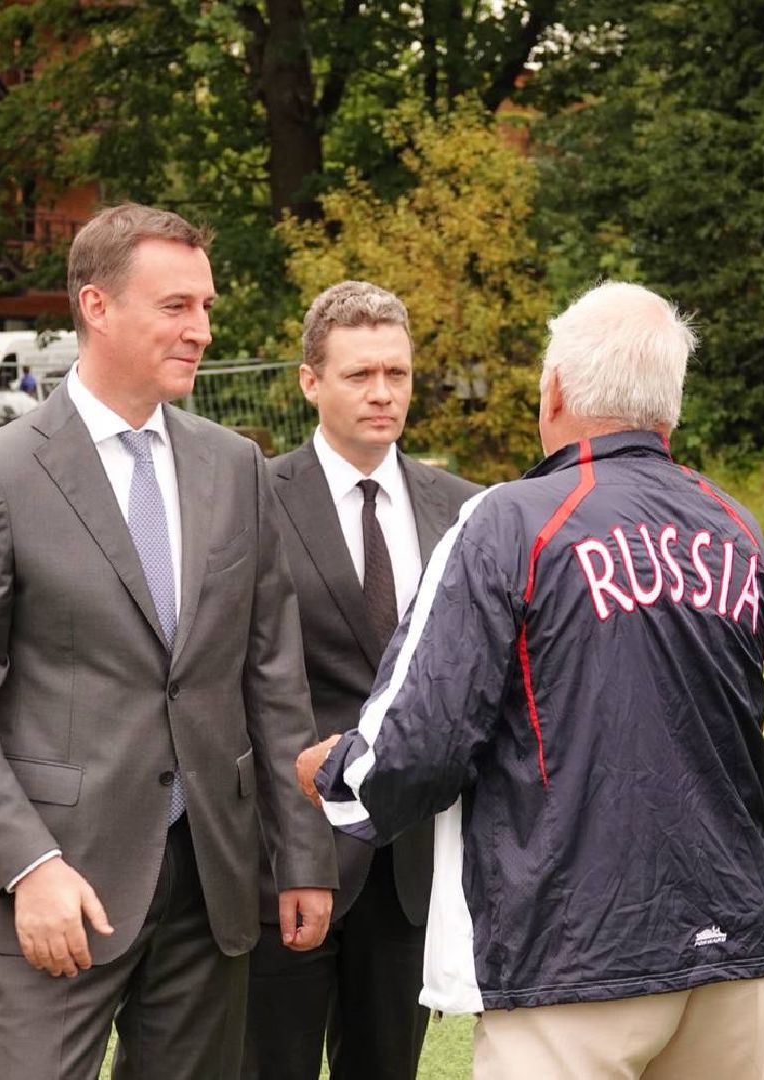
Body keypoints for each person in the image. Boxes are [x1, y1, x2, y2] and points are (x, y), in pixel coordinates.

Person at [300, 281, 764, 1079]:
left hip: (571, 947)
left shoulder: (509, 519)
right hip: (731, 938)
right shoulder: (735, 525)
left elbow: (418, 740)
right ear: (671, 406)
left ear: (553, 389)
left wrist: (333, 775)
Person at [0, 203, 337, 1079]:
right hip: (60, 887)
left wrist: (303, 854)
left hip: (214, 880)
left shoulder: (234, 465)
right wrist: (28, 867)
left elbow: (272, 678)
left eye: (205, 308)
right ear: (96, 307)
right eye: (176, 306)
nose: (201, 330)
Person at [244, 282, 479, 1080]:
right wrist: (290, 851)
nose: (382, 393)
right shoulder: (253, 502)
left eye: (397, 374)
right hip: (285, 858)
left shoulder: (463, 510)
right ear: (310, 382)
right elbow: (243, 686)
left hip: (409, 863)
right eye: (358, 375)